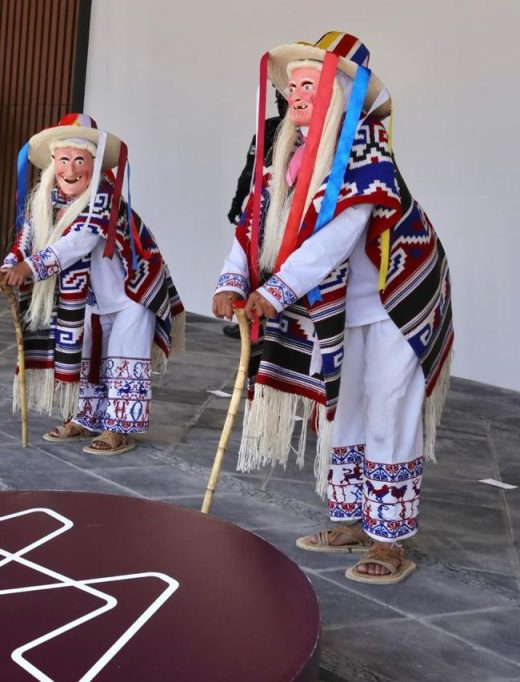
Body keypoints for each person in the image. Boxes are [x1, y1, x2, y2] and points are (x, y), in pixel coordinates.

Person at [212, 32, 453, 584]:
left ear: (343, 94)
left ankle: (389, 538)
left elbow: (337, 237)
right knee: (342, 405)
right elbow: (253, 226)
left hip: (396, 302)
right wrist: (231, 280)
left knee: (389, 404)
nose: (296, 95)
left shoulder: (367, 148)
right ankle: (351, 521)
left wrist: (274, 292)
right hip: (341, 306)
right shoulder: (287, 155)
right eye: (293, 86)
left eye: (310, 85)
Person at [0, 114, 184, 456]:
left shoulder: (104, 198)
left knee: (124, 360)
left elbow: (77, 243)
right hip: (89, 299)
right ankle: (86, 418)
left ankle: (119, 429)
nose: (70, 170)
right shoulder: (45, 202)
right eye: (63, 160)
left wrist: (30, 268)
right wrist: (10, 266)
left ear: (94, 164)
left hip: (131, 296)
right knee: (86, 358)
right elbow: (27, 239)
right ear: (53, 163)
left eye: (79, 160)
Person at [221, 91, 288, 339]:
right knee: (253, 259)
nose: (284, 106)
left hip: (294, 209)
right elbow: (250, 170)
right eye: (280, 101)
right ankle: (249, 319)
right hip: (267, 204)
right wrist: (238, 202)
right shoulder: (268, 128)